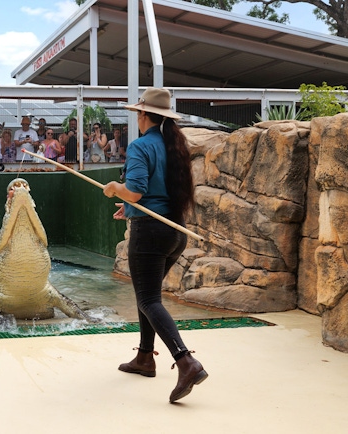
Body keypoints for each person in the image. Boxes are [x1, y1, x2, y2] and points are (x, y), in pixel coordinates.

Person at [102, 87, 206, 404]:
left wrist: (115, 189)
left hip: (150, 233)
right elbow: (151, 196)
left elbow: (134, 191)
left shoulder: (140, 146)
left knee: (148, 298)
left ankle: (186, 362)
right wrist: (129, 208)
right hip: (175, 232)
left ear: (143, 114)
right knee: (147, 294)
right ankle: (145, 357)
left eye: (138, 113)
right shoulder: (173, 145)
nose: (137, 117)